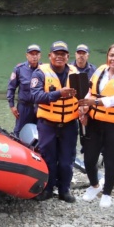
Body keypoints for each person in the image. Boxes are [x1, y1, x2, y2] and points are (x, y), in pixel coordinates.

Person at [79, 44, 114, 208]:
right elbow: (90, 92)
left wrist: (95, 102)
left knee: (111, 161)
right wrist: (84, 106)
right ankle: (94, 185)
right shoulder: (100, 71)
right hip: (95, 121)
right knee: (89, 158)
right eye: (112, 55)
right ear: (107, 56)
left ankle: (107, 193)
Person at [30, 41, 78, 203]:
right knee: (48, 158)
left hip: (69, 124)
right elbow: (35, 96)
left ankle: (64, 190)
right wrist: (58, 94)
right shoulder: (40, 73)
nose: (59, 56)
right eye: (56, 53)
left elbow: (84, 94)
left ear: (67, 57)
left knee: (66, 160)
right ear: (50, 56)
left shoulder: (75, 72)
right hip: (47, 124)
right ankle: (47, 189)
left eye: (63, 54)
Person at [7, 44, 41, 137]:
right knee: (19, 131)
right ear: (27, 55)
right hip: (24, 107)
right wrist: (12, 105)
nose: (34, 56)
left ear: (40, 55)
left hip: (39, 107)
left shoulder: (44, 69)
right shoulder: (19, 69)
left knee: (40, 132)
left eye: (36, 54)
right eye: (32, 54)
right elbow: (11, 87)